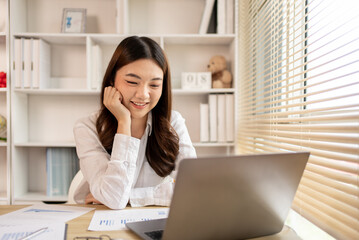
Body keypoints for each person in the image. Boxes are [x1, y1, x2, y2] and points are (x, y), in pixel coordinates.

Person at [72, 36, 197, 209]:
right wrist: (124, 122)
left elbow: (193, 188)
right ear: (111, 81)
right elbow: (115, 200)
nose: (143, 94)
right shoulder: (87, 127)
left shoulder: (173, 122)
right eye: (132, 82)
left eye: (154, 85)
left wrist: (133, 197)